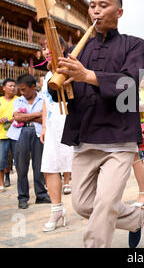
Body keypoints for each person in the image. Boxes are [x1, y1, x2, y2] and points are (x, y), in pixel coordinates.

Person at [50, 0, 144, 248]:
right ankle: (136, 216)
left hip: (119, 138)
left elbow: (129, 83)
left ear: (119, 12)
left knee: (105, 204)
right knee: (83, 205)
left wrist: (87, 76)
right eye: (92, 5)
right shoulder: (76, 51)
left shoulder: (134, 44)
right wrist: (59, 84)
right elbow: (67, 96)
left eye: (103, 5)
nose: (95, 10)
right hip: (86, 136)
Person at [40, 36, 73, 232]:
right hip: (53, 124)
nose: (45, 51)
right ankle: (57, 209)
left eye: (48, 47)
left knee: (79, 163)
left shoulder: (69, 68)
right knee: (50, 166)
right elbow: (46, 102)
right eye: (43, 48)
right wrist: (44, 126)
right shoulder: (45, 77)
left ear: (61, 47)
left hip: (71, 120)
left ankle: (94, 206)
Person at [7, 74, 51, 209]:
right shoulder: (18, 100)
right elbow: (18, 118)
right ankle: (23, 197)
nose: (21, 92)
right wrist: (38, 115)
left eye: (24, 89)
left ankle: (41, 195)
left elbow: (45, 117)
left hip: (39, 133)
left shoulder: (43, 98)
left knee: (39, 166)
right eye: (20, 89)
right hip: (21, 133)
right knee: (21, 167)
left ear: (33, 87)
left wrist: (25, 117)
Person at [0, 78, 18, 192]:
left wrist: (14, 119)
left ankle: (21, 182)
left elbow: (24, 113)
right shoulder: (0, 100)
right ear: (4, 88)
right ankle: (1, 183)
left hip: (16, 133)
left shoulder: (19, 100)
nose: (13, 88)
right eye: (10, 86)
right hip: (2, 134)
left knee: (19, 160)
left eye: (14, 86)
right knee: (1, 160)